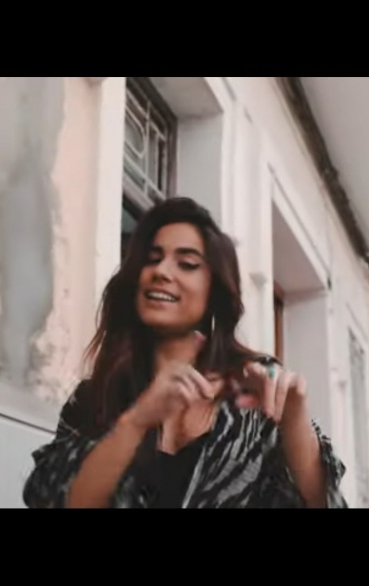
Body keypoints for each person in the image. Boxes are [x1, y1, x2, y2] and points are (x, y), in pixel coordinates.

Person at [23, 197, 347, 508]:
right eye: (152, 259)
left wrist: (294, 419)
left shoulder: (255, 391)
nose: (162, 271)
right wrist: (136, 421)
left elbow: (322, 502)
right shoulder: (97, 396)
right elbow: (52, 498)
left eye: (187, 264)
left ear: (214, 289)